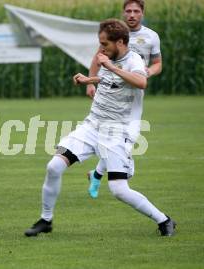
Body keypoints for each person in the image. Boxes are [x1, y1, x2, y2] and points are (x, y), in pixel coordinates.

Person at [24, 19, 175, 237]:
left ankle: (164, 220)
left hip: (117, 131)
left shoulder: (134, 61)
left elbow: (141, 82)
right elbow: (110, 79)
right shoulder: (111, 59)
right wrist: (89, 79)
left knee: (118, 189)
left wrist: (110, 66)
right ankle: (46, 220)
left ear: (121, 42)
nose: (101, 48)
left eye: (105, 44)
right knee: (54, 167)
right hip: (92, 125)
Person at [86, 0, 162, 198]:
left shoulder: (151, 36)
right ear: (123, 13)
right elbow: (97, 58)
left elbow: (157, 64)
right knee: (114, 138)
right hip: (110, 91)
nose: (132, 14)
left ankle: (96, 174)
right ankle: (103, 173)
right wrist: (90, 83)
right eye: (128, 11)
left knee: (125, 137)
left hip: (133, 92)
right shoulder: (114, 35)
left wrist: (148, 72)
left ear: (142, 13)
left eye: (136, 11)